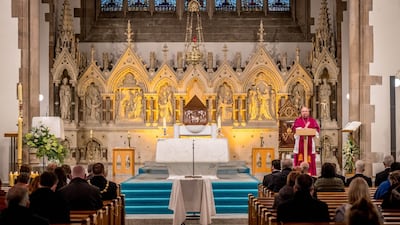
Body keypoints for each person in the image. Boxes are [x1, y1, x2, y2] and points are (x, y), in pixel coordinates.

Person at [292, 106, 320, 176]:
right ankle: (298, 174)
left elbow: (316, 129)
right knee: (299, 158)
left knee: (310, 158)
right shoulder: (297, 120)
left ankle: (312, 173)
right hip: (300, 143)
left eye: (306, 111)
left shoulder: (312, 120)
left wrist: (310, 131)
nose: (305, 113)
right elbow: (294, 128)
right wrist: (301, 129)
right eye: (303, 111)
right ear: (301, 113)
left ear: (308, 112)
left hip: (309, 144)